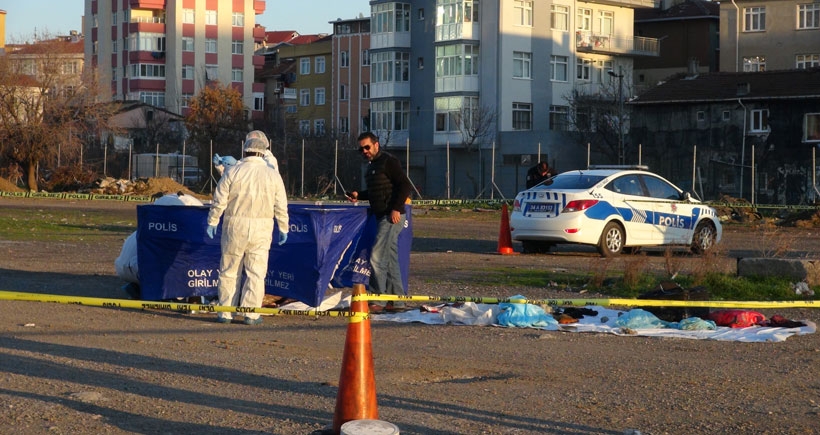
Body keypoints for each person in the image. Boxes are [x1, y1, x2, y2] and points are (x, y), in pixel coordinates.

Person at [206, 137, 289, 325]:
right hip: (262, 228)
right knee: (256, 272)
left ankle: (225, 312)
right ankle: (251, 314)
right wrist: (283, 227)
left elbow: (219, 200)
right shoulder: (272, 175)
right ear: (264, 151)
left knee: (229, 270)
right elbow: (281, 205)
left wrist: (213, 221)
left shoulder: (233, 171)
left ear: (244, 150)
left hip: (234, 226)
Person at [346, 132, 412, 313]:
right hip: (383, 214)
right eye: (361, 149)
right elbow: (378, 190)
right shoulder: (372, 166)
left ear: (376, 145)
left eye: (367, 147)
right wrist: (359, 194)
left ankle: (378, 300)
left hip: (391, 216)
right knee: (390, 259)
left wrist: (396, 208)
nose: (364, 151)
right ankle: (397, 301)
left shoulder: (388, 161)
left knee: (376, 256)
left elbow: (405, 185)